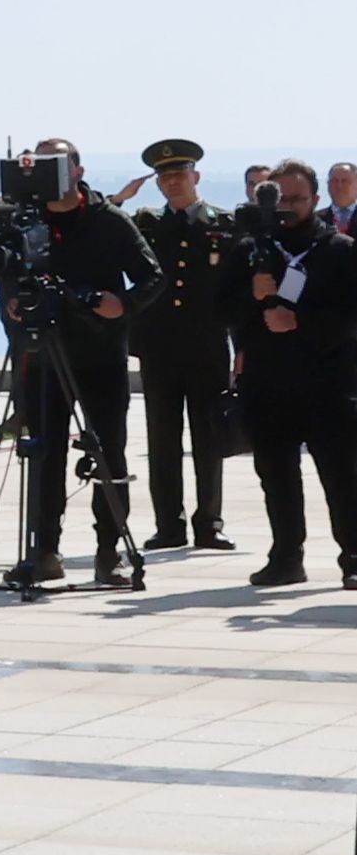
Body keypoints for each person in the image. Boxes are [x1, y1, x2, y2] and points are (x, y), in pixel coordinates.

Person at [0, 138, 150, 592]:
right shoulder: (13, 216)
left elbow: (153, 276)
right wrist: (14, 295)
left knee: (108, 452)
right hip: (42, 350)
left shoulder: (108, 220)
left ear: (77, 170)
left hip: (99, 351)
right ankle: (43, 552)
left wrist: (122, 304)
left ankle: (110, 553)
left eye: (55, 164)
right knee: (42, 451)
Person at [128, 141, 244, 553]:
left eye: (179, 175)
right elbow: (104, 236)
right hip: (159, 346)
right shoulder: (145, 223)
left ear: (195, 177)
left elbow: (239, 290)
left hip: (206, 345)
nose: (172, 183)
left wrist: (243, 345)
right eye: (164, 177)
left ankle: (209, 522)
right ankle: (169, 524)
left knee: (209, 436)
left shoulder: (224, 225)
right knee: (163, 437)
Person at [243, 164, 354, 586]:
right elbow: (220, 310)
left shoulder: (339, 249)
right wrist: (249, 294)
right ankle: (286, 556)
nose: (287, 208)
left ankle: (354, 555)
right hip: (269, 382)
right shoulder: (252, 250)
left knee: (342, 476)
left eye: (297, 199)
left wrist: (301, 322)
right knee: (276, 475)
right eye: (280, 200)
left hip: (328, 381)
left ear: (316, 200)